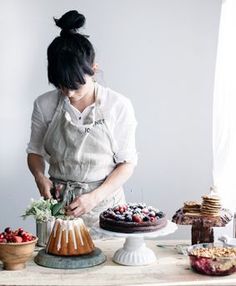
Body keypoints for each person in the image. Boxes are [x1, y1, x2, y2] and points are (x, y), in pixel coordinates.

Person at [26, 10, 137, 230]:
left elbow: (127, 164)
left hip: (105, 208)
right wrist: (40, 177)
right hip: (59, 206)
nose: (67, 93)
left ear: (93, 70)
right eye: (60, 85)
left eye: (74, 86)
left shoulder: (117, 105)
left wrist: (93, 198)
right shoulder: (44, 104)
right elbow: (34, 152)